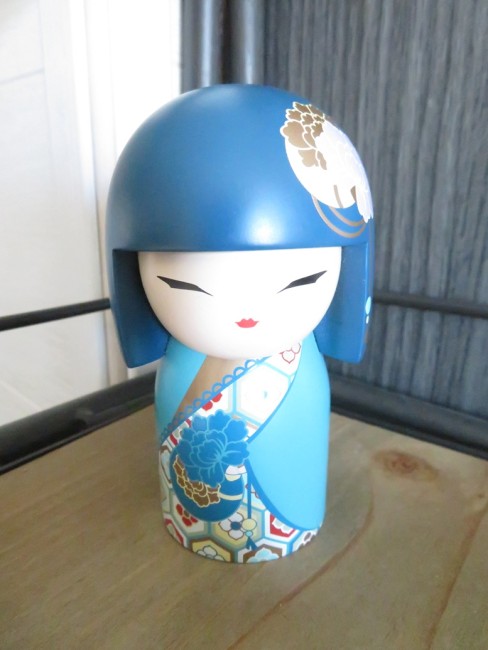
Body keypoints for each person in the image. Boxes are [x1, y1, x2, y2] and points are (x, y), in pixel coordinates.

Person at [107, 84, 374, 562]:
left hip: (290, 512)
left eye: (300, 281)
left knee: (292, 484)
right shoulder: (178, 364)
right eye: (188, 285)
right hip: (193, 511)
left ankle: (289, 524)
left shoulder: (303, 368)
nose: (246, 312)